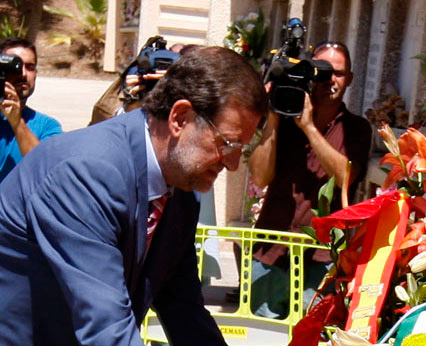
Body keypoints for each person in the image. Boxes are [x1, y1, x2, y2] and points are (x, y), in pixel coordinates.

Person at [0, 46, 267, 345]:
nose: (232, 164)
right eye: (228, 143)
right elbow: (107, 330)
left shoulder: (181, 186)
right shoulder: (87, 173)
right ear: (180, 118)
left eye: (240, 149)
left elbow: (184, 309)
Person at [248, 41, 372, 318]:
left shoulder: (356, 128)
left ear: (350, 79)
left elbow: (345, 176)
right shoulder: (283, 119)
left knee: (312, 335)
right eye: (322, 71)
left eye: (338, 73)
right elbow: (259, 175)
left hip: (321, 258)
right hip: (272, 248)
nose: (330, 80)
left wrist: (308, 128)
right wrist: (273, 118)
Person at [0, 37, 62, 181]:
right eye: (14, 66)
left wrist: (17, 123)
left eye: (30, 67)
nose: (23, 74)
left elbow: (47, 169)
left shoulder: (47, 126)